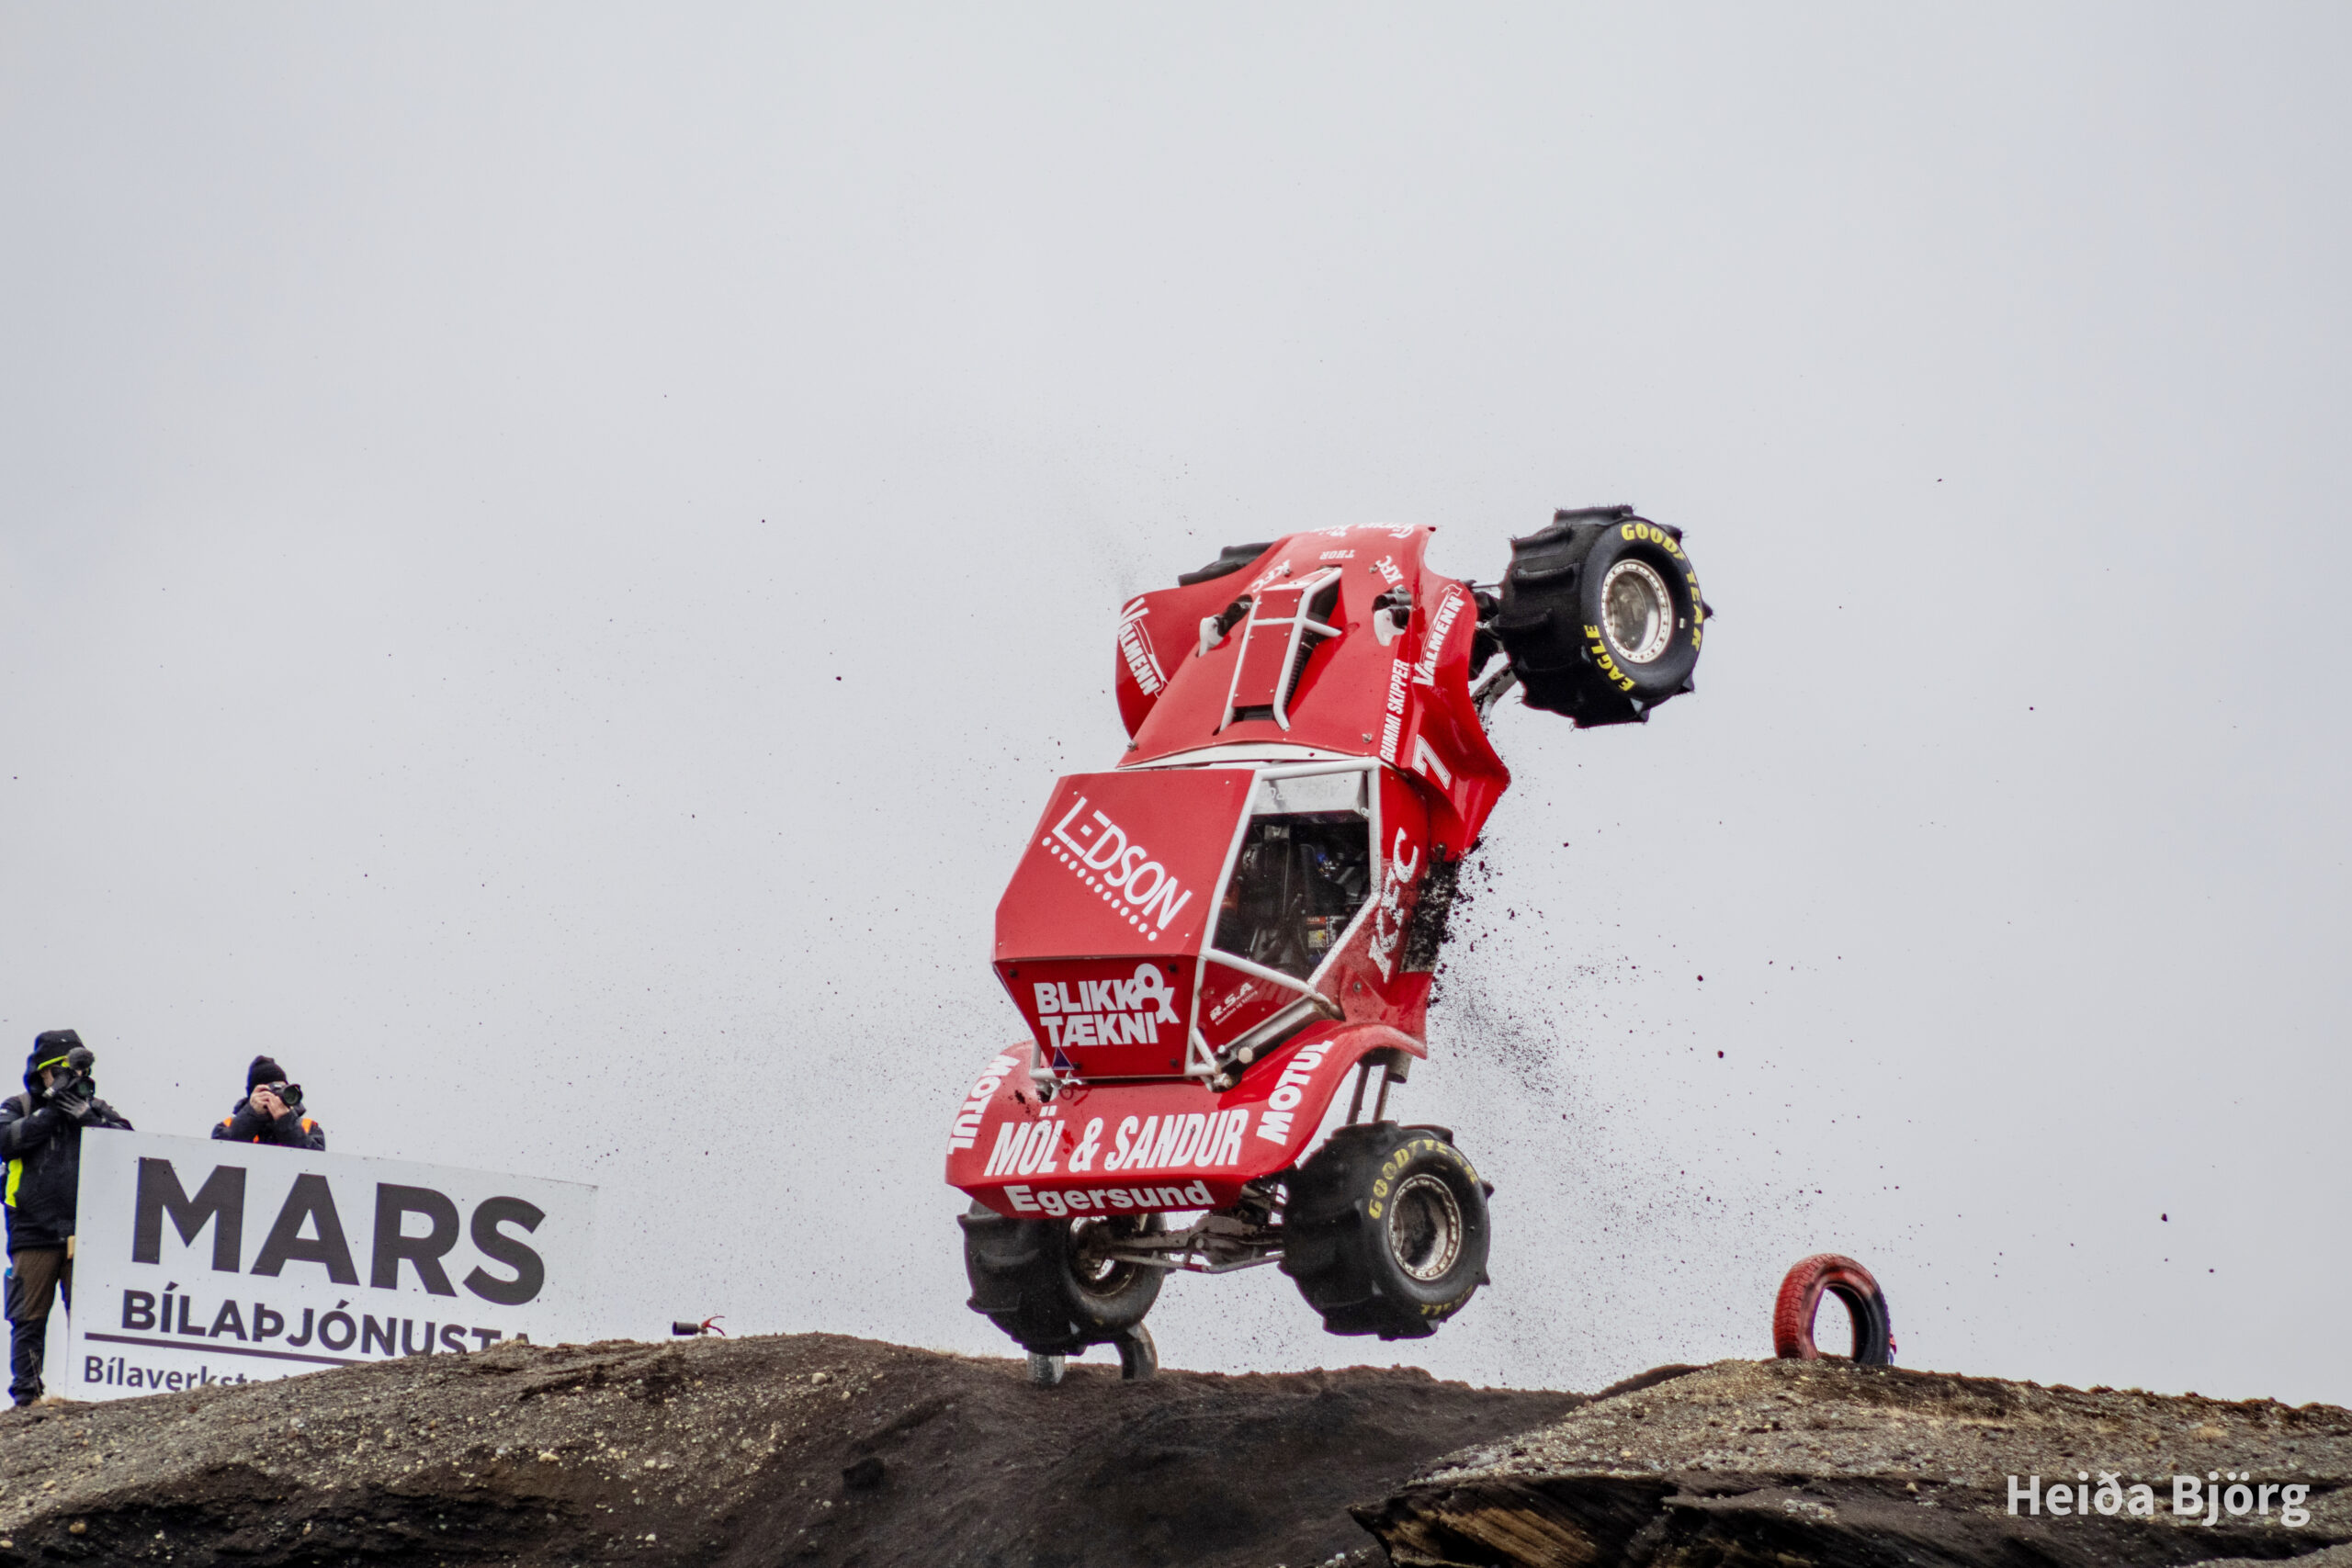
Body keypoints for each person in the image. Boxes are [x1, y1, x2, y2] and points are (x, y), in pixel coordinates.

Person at [1, 1030, 133, 1406]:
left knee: (90, 1315)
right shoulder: (19, 1105)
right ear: (42, 1072)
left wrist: (88, 1119)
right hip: (32, 1230)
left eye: (75, 1069)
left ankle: (93, 1394)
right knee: (27, 1315)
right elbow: (5, 1141)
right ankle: (27, 1398)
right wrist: (50, 1110)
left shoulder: (97, 1107)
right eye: (59, 1069)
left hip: (87, 1232)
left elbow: (130, 1146)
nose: (70, 1076)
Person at [213, 1055, 325, 1150]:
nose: (276, 1097)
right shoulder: (226, 1127)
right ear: (254, 1095)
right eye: (271, 1091)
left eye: (282, 1090)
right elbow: (221, 1151)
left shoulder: (308, 1128)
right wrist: (252, 1115)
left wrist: (286, 1121)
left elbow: (316, 1160)